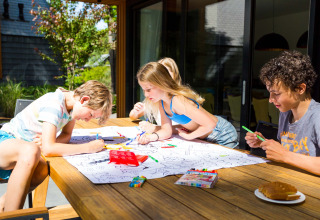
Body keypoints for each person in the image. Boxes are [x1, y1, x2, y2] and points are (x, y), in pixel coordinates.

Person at [0, 80, 113, 212]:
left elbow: (66, 135)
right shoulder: (55, 104)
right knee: (31, 150)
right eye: (91, 114)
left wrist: (50, 141)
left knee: (43, 168)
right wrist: (88, 148)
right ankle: (13, 216)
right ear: (84, 100)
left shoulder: (71, 109)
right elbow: (48, 149)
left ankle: (4, 205)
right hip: (5, 141)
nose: (88, 120)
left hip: (26, 156)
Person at [244, 50, 320, 175]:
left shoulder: (317, 117)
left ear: (300, 88)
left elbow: (287, 155)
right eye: (270, 93)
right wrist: (264, 143)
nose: (270, 100)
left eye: (277, 94)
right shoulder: (286, 112)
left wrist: (284, 155)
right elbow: (291, 150)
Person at [136, 62, 238, 148]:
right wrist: (150, 137)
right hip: (205, 136)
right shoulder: (162, 102)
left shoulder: (177, 101)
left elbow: (210, 124)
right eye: (143, 90)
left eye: (148, 89)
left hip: (221, 133)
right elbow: (166, 131)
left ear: (162, 83)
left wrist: (190, 136)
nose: (145, 94)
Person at [129, 57, 182, 133]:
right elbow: (133, 116)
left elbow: (189, 128)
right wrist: (136, 111)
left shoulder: (179, 99)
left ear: (175, 75)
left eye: (165, 72)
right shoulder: (157, 98)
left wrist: (156, 128)